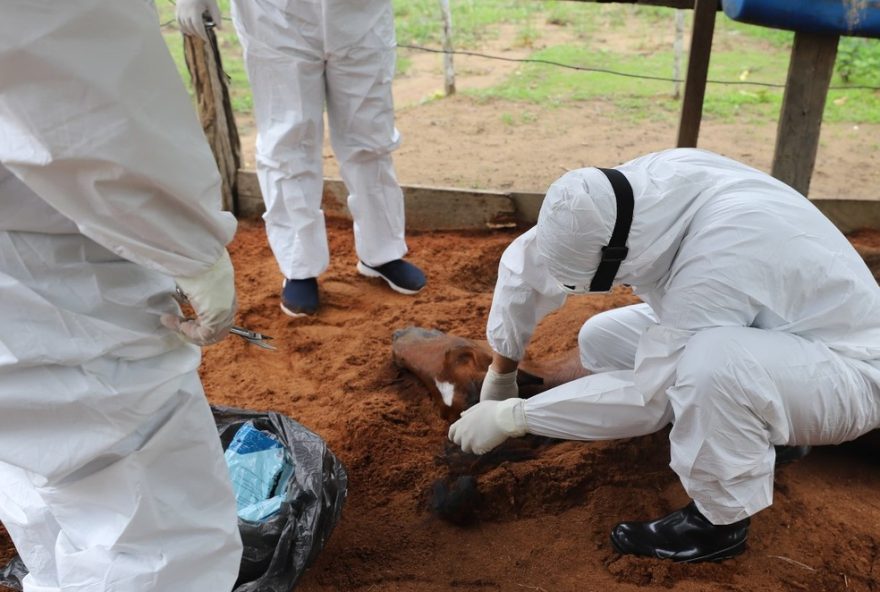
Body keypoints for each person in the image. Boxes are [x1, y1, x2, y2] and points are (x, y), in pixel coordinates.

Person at [448, 148, 880, 562]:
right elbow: (531, 261)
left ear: (616, 255)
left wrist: (515, 418)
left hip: (848, 370)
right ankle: (762, 432)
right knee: (601, 336)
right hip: (781, 328)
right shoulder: (622, 195)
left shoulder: (718, 256)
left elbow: (650, 395)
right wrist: (501, 371)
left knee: (712, 364)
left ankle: (718, 523)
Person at [0, 1, 244, 590]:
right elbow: (74, 80)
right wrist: (189, 245)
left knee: (38, 464)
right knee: (155, 517)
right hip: (49, 261)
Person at [176, 0, 427, 318]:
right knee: (287, 139)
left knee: (370, 134)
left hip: (361, 12)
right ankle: (299, 266)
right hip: (274, 15)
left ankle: (382, 252)